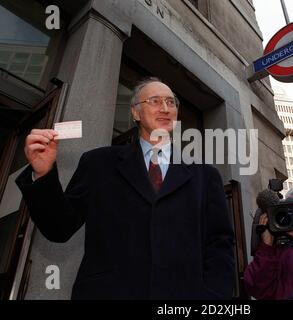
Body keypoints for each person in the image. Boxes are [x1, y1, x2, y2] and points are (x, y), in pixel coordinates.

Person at [16, 77, 235, 300]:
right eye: (155, 101)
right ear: (135, 113)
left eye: (171, 102)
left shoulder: (205, 176)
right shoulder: (98, 163)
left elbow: (219, 245)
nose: (165, 108)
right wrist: (42, 175)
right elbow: (59, 227)